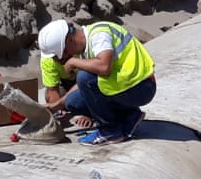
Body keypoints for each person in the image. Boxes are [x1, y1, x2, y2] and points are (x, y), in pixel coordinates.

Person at [35, 18, 156, 146]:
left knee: (83, 76)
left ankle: (110, 131)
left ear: (69, 41)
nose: (60, 60)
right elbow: (85, 86)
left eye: (59, 56)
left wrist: (73, 62)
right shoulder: (86, 46)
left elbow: (104, 67)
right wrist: (57, 105)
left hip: (141, 87)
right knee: (73, 102)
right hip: (124, 85)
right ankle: (130, 115)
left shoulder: (99, 35)